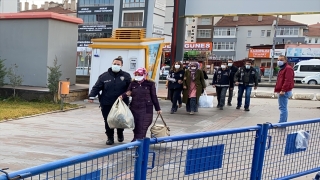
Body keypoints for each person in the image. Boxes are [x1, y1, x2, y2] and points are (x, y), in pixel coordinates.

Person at [88, 56, 131, 145]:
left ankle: (120, 133)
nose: (116, 65)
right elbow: (97, 87)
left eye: (118, 64)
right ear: (112, 64)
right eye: (114, 64)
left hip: (121, 103)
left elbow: (130, 88)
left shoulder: (126, 76)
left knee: (120, 119)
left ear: (121, 65)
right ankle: (110, 137)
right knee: (108, 120)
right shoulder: (104, 76)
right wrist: (91, 96)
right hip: (107, 102)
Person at [121, 68, 161, 142]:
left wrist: (158, 108)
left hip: (146, 108)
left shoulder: (150, 84)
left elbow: (154, 96)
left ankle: (138, 140)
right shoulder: (133, 83)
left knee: (143, 125)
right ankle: (138, 139)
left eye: (139, 74)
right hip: (134, 107)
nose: (137, 76)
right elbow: (128, 92)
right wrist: (122, 96)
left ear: (144, 74)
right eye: (136, 75)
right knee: (135, 124)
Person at [274, 55, 294, 123]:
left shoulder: (287, 68)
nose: (279, 61)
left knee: (283, 108)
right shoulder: (282, 68)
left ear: (285, 61)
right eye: (278, 60)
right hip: (282, 90)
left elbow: (287, 80)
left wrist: (283, 90)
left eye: (281, 60)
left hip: (284, 91)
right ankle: (283, 122)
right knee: (283, 108)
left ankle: (282, 123)